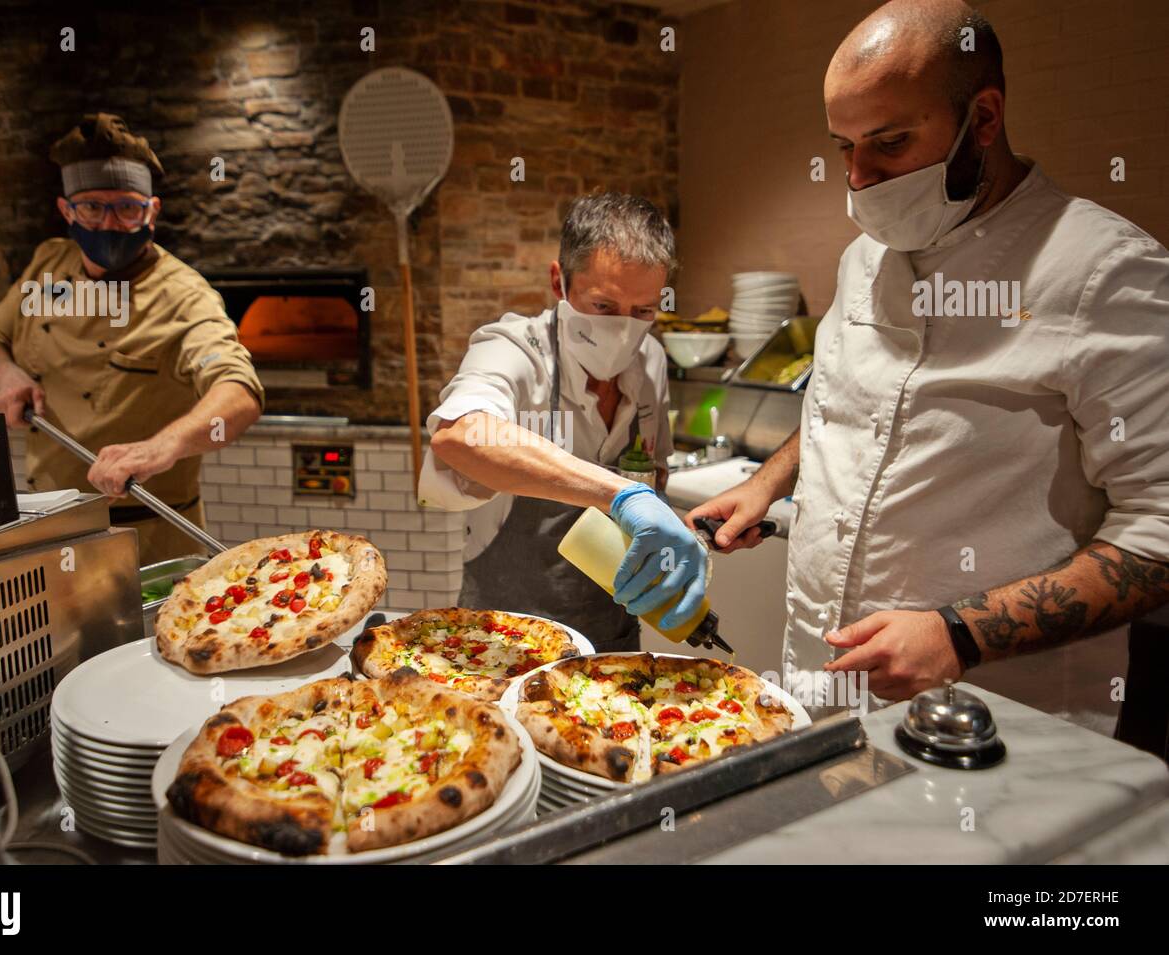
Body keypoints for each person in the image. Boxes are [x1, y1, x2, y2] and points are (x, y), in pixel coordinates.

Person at [687, 0, 1169, 718]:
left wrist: (960, 633)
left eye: (889, 143)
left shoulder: (1103, 273)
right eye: (844, 147)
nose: (857, 178)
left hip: (996, 717)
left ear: (984, 118)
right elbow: (845, 402)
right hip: (819, 686)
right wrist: (769, 481)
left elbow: (1159, 525)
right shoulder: (862, 261)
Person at [0, 113, 264, 564]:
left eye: (127, 207)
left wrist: (160, 447)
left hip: (147, 540)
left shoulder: (182, 294)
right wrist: (6, 379)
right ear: (66, 210)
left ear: (152, 211)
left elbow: (238, 393)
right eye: (91, 207)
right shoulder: (50, 267)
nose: (110, 224)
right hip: (46, 526)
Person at [418, 192, 705, 651]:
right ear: (559, 281)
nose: (625, 330)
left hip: (612, 637)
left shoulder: (651, 360)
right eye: (604, 307)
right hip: (502, 642)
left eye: (644, 311)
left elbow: (655, 471)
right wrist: (621, 495)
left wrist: (679, 534)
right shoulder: (514, 350)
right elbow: (459, 436)